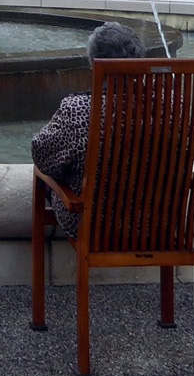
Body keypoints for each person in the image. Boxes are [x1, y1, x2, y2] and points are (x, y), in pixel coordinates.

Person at [29, 22, 146, 237]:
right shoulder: (173, 106)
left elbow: (42, 155)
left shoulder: (79, 109)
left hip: (95, 227)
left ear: (94, 63)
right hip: (156, 224)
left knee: (45, 174)